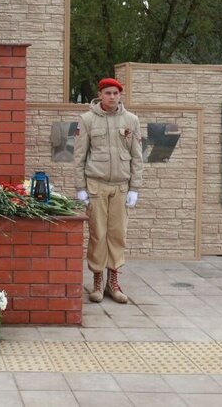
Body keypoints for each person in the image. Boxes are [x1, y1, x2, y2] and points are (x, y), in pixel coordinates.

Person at [73, 77, 143, 304]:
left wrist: (135, 188)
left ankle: (113, 283)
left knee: (117, 235)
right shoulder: (87, 120)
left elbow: (137, 156)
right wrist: (80, 188)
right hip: (96, 186)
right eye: (108, 93)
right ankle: (96, 282)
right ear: (100, 94)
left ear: (120, 95)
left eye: (116, 93)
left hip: (121, 187)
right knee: (97, 234)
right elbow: (79, 157)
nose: (112, 96)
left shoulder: (131, 120)